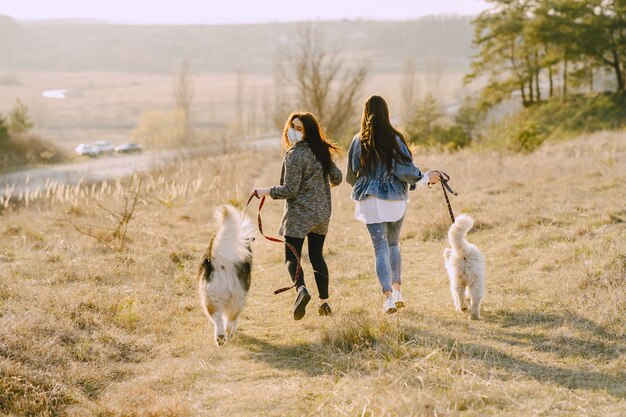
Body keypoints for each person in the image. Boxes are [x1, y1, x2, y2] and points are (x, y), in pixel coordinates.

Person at [346, 95, 440, 314]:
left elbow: (351, 176)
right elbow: (405, 171)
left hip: (369, 198)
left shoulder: (358, 140)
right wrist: (425, 178)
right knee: (393, 245)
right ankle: (398, 291)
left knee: (379, 249)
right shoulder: (395, 138)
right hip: (394, 200)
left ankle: (387, 298)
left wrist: (367, 181)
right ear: (386, 112)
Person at [254, 112, 342, 320]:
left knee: (291, 257)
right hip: (321, 213)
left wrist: (264, 191)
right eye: (292, 126)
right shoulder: (322, 150)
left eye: (299, 128)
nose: (293, 131)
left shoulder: (294, 155)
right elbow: (337, 178)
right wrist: (319, 189)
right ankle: (324, 303)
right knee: (317, 257)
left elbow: (290, 190)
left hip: (299, 215)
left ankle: (301, 290)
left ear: (307, 131)